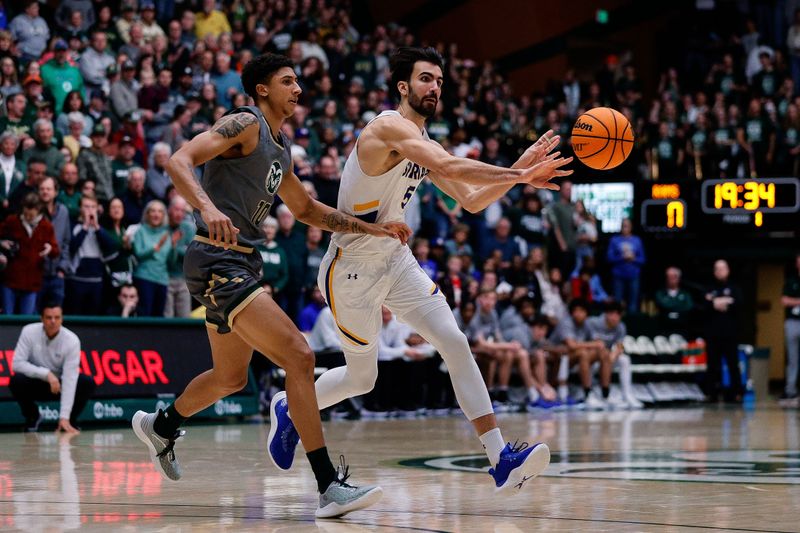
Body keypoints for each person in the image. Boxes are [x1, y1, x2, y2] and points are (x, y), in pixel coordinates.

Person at [269, 47, 572, 492]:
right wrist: (516, 174)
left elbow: (469, 199)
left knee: (454, 340)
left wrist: (518, 169)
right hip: (351, 265)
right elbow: (451, 166)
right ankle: (290, 407)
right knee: (362, 377)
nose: (435, 87)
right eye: (427, 79)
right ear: (404, 86)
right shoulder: (388, 126)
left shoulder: (423, 143)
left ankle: (500, 458)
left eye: (440, 81)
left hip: (394, 257)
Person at [131, 53, 410, 518]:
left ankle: (162, 425)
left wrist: (371, 228)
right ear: (263, 89)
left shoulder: (279, 149)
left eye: (297, 80)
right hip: (218, 258)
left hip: (239, 263)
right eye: (287, 81)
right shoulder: (245, 123)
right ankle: (328, 487)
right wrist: (206, 207)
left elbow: (306, 209)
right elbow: (181, 160)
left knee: (230, 378)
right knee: (299, 356)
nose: (297, 88)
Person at [8, 304, 94, 432]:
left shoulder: (72, 340)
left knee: (86, 382)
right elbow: (17, 364)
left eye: (57, 317)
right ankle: (33, 417)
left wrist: (64, 417)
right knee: (16, 381)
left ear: (62, 319)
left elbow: (70, 379)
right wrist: (46, 374)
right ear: (42, 318)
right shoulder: (28, 331)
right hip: (37, 383)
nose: (53, 321)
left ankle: (70, 420)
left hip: (60, 386)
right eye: (49, 317)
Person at [0, 193, 60, 314]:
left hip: (32, 282)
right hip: (10, 280)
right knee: (7, 317)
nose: (27, 217)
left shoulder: (46, 226)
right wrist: (1, 244)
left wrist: (49, 249)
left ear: (38, 211)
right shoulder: (12, 221)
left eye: (31, 215)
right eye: (25, 214)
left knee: (27, 320)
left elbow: (55, 250)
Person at [704, 259, 743, 403]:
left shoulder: (734, 288)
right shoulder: (709, 288)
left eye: (723, 268)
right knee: (713, 365)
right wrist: (721, 303)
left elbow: (738, 304)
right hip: (713, 333)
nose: (720, 271)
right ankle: (711, 393)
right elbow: (705, 305)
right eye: (717, 269)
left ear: (728, 270)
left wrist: (718, 303)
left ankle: (737, 393)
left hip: (730, 333)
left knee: (733, 364)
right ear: (714, 271)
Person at [606, 218, 645, 314]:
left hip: (633, 275)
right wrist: (622, 257)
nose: (625, 228)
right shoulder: (614, 240)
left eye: (627, 226)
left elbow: (643, 259)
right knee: (617, 303)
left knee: (633, 302)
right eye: (623, 226)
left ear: (631, 227)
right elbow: (609, 258)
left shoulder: (637, 240)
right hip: (618, 275)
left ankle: (632, 325)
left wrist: (633, 258)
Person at [779, 252, 800, 407]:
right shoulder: (791, 282)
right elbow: (784, 300)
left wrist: (794, 301)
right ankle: (791, 390)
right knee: (792, 359)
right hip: (793, 322)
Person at [654, 266, 694, 336]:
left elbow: (689, 307)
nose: (671, 279)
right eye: (669, 276)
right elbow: (663, 305)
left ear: (679, 278)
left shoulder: (685, 294)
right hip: (664, 329)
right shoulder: (660, 293)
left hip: (682, 329)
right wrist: (679, 304)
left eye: (674, 276)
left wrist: (670, 305)